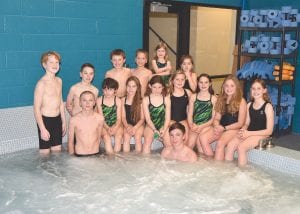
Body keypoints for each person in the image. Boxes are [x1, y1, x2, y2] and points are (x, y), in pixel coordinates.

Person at [225, 79, 274, 166]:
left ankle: (242, 174)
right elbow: (247, 123)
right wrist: (243, 130)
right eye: (253, 88)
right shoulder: (249, 105)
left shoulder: (268, 107)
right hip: (249, 132)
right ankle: (227, 171)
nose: (255, 91)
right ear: (250, 90)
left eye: (258, 88)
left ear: (264, 90)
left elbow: (269, 131)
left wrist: (249, 133)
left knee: (241, 148)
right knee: (230, 145)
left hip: (262, 134)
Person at [199, 75, 247, 160]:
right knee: (203, 138)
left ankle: (219, 166)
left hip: (233, 129)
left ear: (236, 87)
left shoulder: (241, 101)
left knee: (220, 143)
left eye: (232, 86)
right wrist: (217, 126)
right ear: (223, 87)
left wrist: (224, 128)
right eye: (226, 85)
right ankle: (211, 162)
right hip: (221, 128)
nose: (229, 88)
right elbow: (217, 118)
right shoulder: (221, 99)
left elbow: (240, 123)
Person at [33, 51, 66, 155]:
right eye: (51, 62)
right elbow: (36, 108)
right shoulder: (41, 84)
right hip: (45, 120)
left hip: (57, 120)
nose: (55, 65)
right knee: (45, 153)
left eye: (57, 62)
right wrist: (42, 128)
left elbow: (60, 101)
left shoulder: (59, 81)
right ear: (44, 65)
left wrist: (64, 121)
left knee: (57, 151)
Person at [188, 74, 217, 155]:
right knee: (189, 146)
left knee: (199, 143)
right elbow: (190, 114)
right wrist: (191, 125)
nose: (203, 85)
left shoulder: (213, 99)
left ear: (210, 84)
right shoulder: (193, 97)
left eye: (206, 82)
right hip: (194, 125)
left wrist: (201, 126)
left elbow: (212, 119)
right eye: (201, 82)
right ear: (198, 83)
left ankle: (208, 163)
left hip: (207, 126)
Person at [68, 91, 104, 156]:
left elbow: (98, 138)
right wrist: (72, 158)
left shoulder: (100, 119)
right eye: (84, 100)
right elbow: (70, 142)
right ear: (80, 103)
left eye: (90, 100)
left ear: (94, 103)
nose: (87, 103)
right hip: (80, 154)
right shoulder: (74, 120)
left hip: (95, 153)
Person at [143, 75, 171, 154]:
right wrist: (155, 130)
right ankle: (145, 163)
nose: (157, 90)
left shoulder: (166, 99)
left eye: (159, 87)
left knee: (169, 144)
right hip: (150, 126)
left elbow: (167, 118)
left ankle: (167, 163)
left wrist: (164, 130)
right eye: (154, 87)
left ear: (163, 87)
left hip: (163, 125)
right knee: (147, 143)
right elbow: (148, 119)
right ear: (150, 86)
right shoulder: (146, 99)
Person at [96, 78, 123, 154]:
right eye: (105, 89)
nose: (107, 92)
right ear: (102, 90)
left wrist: (115, 127)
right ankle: (111, 158)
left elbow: (119, 118)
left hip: (116, 124)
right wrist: (107, 128)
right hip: (104, 124)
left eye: (110, 90)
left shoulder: (117, 100)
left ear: (115, 90)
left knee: (119, 137)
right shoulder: (99, 100)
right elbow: (101, 118)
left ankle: (116, 157)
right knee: (106, 138)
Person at [121, 76, 145, 153]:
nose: (131, 88)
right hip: (127, 124)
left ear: (137, 88)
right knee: (126, 137)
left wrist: (135, 128)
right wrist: (127, 126)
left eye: (133, 86)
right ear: (126, 86)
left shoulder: (141, 101)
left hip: (138, 124)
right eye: (129, 86)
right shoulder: (123, 100)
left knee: (138, 137)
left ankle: (137, 159)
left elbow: (142, 119)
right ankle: (126, 158)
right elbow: (123, 117)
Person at [169, 71, 192, 144]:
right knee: (170, 144)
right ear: (172, 80)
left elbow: (190, 110)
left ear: (185, 80)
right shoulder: (167, 92)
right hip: (170, 120)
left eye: (182, 79)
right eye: (177, 79)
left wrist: (189, 122)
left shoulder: (188, 92)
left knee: (185, 142)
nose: (180, 81)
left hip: (183, 120)